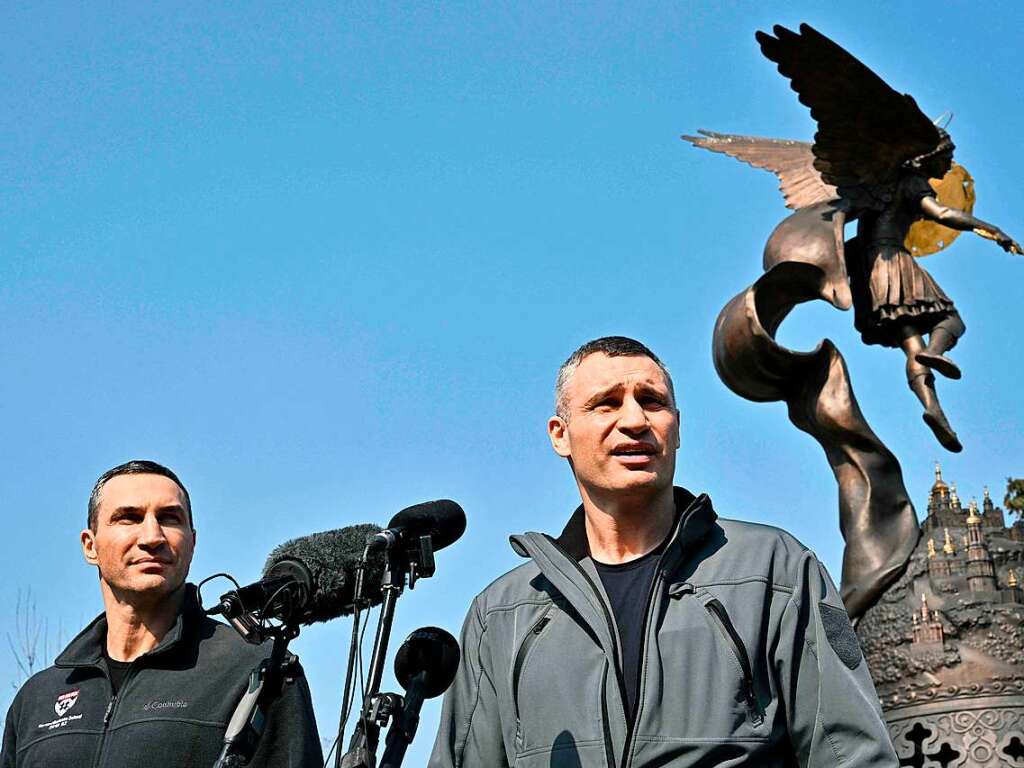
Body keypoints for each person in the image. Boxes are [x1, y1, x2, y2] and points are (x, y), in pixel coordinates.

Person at [429, 336, 898, 767]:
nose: (634, 421)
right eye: (605, 403)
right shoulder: (502, 615)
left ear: (676, 429)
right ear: (560, 434)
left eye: (652, 402)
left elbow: (852, 754)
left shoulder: (775, 571)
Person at [1, 460, 323, 768]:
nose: (152, 537)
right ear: (90, 546)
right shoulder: (37, 699)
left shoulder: (258, 670)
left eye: (170, 518)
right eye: (129, 518)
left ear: (192, 542)